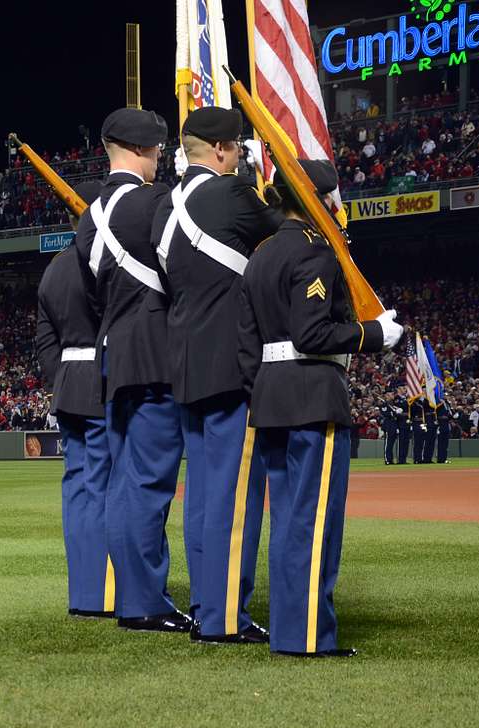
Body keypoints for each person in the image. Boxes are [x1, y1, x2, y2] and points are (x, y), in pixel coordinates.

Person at [238, 159, 404, 657]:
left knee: (288, 520)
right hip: (312, 395)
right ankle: (308, 636)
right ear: (321, 201)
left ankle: (291, 631)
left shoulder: (261, 255)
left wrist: (268, 386)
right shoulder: (316, 253)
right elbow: (312, 334)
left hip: (270, 397)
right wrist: (375, 335)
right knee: (315, 523)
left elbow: (247, 347)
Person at [152, 106, 281, 644]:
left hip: (184, 367)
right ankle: (225, 617)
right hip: (230, 366)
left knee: (203, 498)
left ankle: (208, 607)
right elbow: (285, 233)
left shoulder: (165, 207)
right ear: (226, 150)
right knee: (234, 501)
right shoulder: (229, 193)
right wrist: (259, 180)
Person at [75, 107, 192, 633]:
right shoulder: (152, 203)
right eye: (159, 151)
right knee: (146, 485)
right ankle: (144, 602)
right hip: (154, 357)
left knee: (124, 485)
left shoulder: (90, 212)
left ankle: (133, 597)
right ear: (145, 150)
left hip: (113, 355)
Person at [37, 178, 114, 619]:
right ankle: (108, 595)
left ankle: (84, 594)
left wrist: (65, 377)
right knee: (106, 490)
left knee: (78, 492)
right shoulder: (101, 260)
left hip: (68, 386)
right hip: (102, 383)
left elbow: (44, 342)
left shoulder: (54, 268)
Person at [410, 395, 427, 463]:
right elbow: (413, 412)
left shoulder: (424, 402)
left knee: (422, 440)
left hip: (423, 423)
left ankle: (420, 457)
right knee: (417, 441)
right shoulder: (413, 403)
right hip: (416, 422)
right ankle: (416, 458)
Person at [436, 399, 452, 463]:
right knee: (440, 444)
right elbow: (436, 414)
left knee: (445, 444)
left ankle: (444, 458)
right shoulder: (438, 404)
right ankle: (440, 459)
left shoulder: (447, 404)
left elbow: (450, 414)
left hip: (446, 425)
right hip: (441, 425)